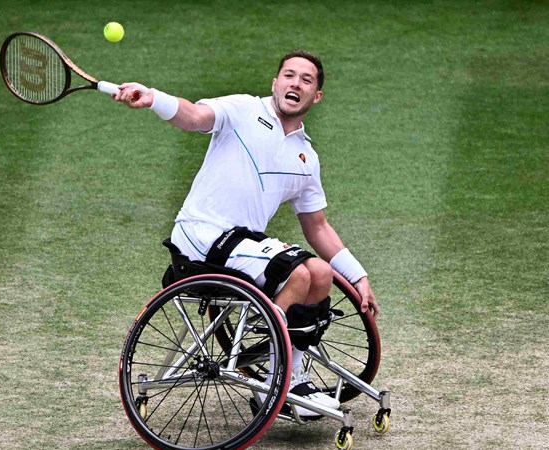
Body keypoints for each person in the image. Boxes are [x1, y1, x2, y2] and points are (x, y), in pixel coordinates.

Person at [112, 50, 380, 417]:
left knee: (320, 273)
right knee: (297, 273)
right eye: (288, 75)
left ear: (316, 96)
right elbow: (194, 116)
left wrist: (359, 276)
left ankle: (285, 374)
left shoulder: (306, 157)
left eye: (306, 80)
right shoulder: (241, 109)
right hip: (200, 236)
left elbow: (317, 226)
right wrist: (153, 97)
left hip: (242, 243)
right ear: (275, 82)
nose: (294, 83)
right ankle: (276, 377)